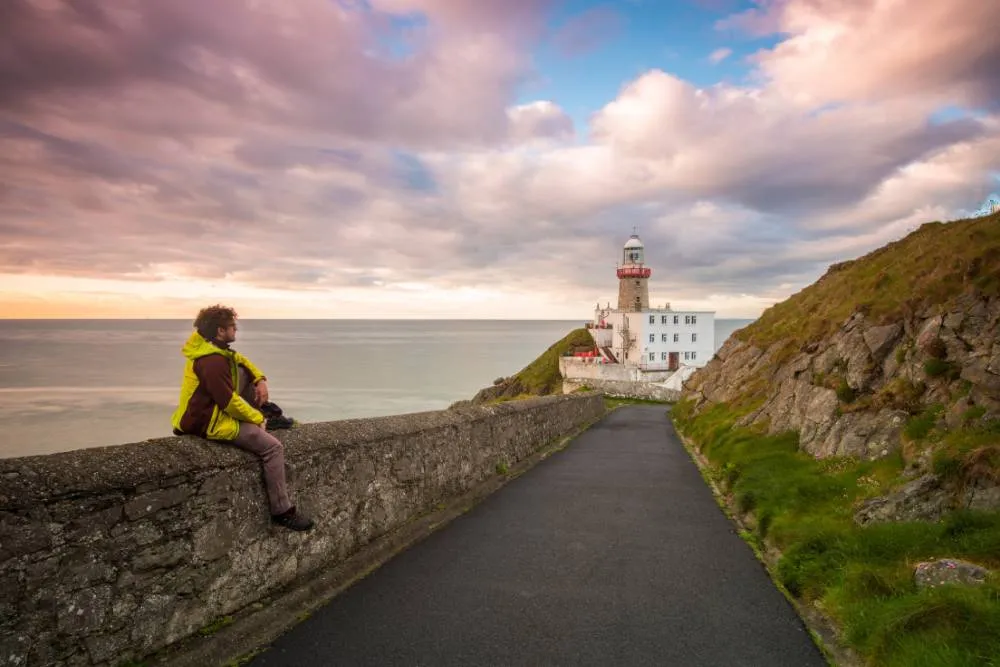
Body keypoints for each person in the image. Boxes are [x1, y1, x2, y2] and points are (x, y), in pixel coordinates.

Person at [171, 305, 314, 531]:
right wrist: (256, 418)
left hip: (214, 413)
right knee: (273, 448)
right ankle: (283, 511)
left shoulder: (214, 350)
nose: (236, 330)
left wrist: (260, 379)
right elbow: (228, 402)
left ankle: (267, 415)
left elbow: (242, 361)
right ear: (220, 331)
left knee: (244, 373)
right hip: (209, 423)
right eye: (232, 327)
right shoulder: (212, 362)